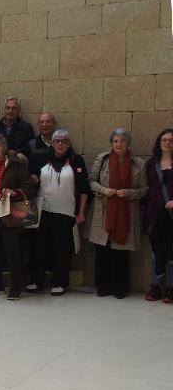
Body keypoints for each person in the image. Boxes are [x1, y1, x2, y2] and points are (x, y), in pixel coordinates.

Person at [24, 129, 91, 296]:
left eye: (63, 141)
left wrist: (81, 212)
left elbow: (84, 189)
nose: (60, 144)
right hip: (43, 210)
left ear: (69, 144)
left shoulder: (76, 161)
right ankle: (36, 281)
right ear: (52, 143)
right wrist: (34, 179)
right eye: (56, 141)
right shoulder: (42, 159)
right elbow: (33, 178)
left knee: (62, 249)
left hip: (66, 211)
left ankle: (60, 282)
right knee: (38, 247)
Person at [88, 129, 147, 299]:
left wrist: (129, 193)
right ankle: (103, 286)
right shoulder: (102, 159)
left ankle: (120, 288)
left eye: (122, 141)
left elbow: (145, 189)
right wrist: (103, 190)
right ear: (111, 143)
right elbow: (91, 181)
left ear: (128, 143)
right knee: (103, 251)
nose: (118, 144)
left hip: (126, 213)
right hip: (105, 210)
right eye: (115, 141)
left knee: (121, 252)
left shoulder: (139, 163)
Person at [0, 133, 34, 300]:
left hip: (9, 216)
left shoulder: (16, 165)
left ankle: (16, 286)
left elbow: (29, 188)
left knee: (12, 252)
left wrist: (14, 192)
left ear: (4, 147)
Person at [143, 129, 173, 302]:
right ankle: (156, 285)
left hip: (171, 214)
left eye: (171, 140)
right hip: (154, 213)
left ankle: (171, 287)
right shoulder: (150, 164)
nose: (167, 143)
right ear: (159, 142)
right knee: (156, 250)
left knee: (171, 250)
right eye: (164, 139)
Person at [26, 112, 56, 182]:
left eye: (48, 122)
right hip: (38, 186)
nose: (45, 125)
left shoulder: (61, 142)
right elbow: (28, 166)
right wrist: (31, 174)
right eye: (41, 122)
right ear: (38, 125)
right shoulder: (31, 144)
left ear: (54, 124)